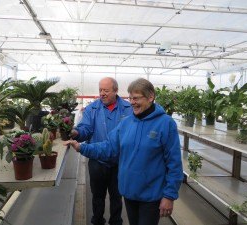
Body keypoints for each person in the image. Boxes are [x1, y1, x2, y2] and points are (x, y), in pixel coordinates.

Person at [66, 78, 183, 225]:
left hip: (151, 195)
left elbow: (174, 163)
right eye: (130, 98)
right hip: (129, 193)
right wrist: (82, 147)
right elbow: (109, 147)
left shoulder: (166, 123)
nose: (132, 102)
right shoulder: (127, 123)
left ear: (151, 97)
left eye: (136, 98)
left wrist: (169, 195)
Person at [70, 77, 132, 225]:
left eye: (106, 90)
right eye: (100, 90)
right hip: (97, 161)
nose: (102, 93)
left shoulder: (128, 109)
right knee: (97, 195)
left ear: (115, 91)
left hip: (119, 161)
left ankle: (116, 221)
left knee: (117, 195)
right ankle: (97, 220)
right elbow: (86, 129)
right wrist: (76, 133)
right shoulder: (93, 109)